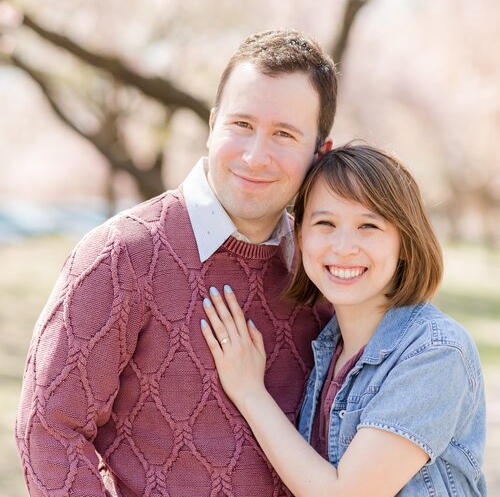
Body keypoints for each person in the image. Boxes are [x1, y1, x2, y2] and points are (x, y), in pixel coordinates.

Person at [15, 30, 338, 496]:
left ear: (318, 153)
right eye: (241, 125)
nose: (254, 155)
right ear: (211, 127)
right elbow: (49, 429)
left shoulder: (323, 273)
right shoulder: (122, 254)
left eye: (283, 134)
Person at [200, 144, 487, 496]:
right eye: (326, 223)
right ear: (300, 234)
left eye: (368, 225)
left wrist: (249, 393)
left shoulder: (437, 352)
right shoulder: (327, 347)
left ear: (405, 243)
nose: (344, 246)